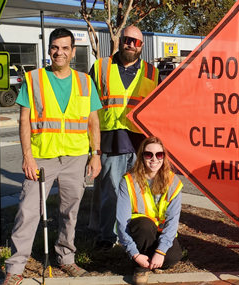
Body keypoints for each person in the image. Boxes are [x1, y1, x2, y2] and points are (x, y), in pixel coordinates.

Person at [2, 28, 102, 285]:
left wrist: (95, 154)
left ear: (73, 51)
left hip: (76, 157)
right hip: (42, 158)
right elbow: (24, 120)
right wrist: (27, 156)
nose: (59, 52)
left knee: (70, 212)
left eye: (65, 47)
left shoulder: (84, 81)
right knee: (28, 211)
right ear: (49, 49)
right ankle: (15, 267)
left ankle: (66, 257)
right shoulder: (33, 78)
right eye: (55, 47)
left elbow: (93, 121)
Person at [90, 25, 160, 249]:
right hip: (111, 140)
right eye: (127, 39)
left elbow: (158, 108)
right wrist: (92, 147)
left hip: (141, 144)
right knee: (110, 192)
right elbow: (88, 107)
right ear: (120, 40)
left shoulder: (152, 72)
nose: (131, 44)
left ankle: (135, 234)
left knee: (140, 192)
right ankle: (107, 237)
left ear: (141, 46)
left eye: (136, 42)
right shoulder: (101, 66)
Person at [116, 136, 183, 285]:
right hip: (140, 231)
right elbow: (121, 223)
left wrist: (161, 252)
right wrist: (134, 254)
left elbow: (172, 222)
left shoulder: (174, 182)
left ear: (164, 157)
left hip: (160, 233)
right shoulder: (128, 181)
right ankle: (140, 267)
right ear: (141, 156)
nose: (154, 159)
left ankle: (153, 259)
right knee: (144, 225)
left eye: (159, 155)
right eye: (148, 154)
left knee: (172, 257)